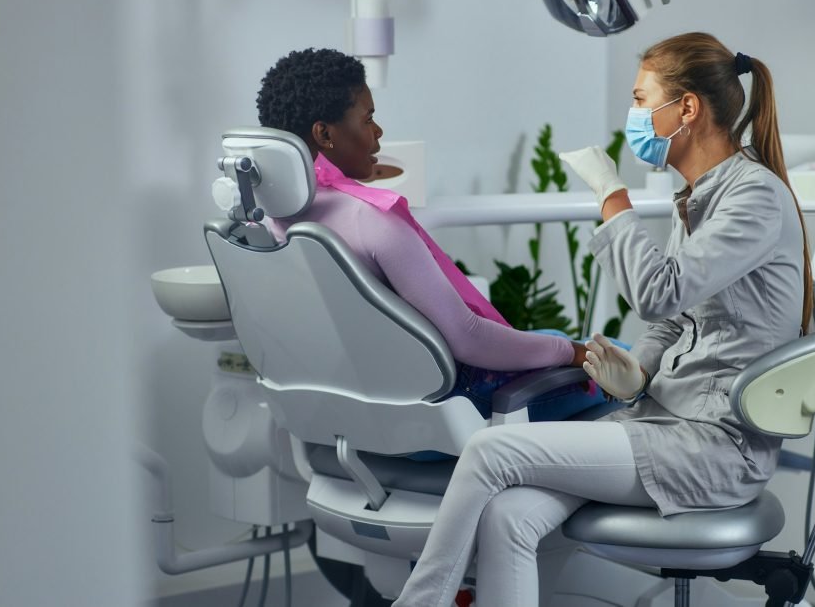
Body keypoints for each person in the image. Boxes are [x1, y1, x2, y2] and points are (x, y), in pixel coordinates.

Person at [392, 31, 814, 607]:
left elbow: (660, 292)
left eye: (642, 101)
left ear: (686, 108)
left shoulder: (754, 197)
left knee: (489, 452)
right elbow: (674, 323)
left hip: (715, 448)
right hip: (660, 423)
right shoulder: (699, 195)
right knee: (511, 516)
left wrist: (612, 195)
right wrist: (636, 372)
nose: (633, 115)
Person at [255, 47, 607, 424]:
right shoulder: (372, 220)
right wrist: (573, 353)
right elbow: (468, 336)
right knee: (620, 359)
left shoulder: (274, 224)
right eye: (368, 118)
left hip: (358, 415)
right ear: (324, 133)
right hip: (449, 411)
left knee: (557, 339)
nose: (378, 131)